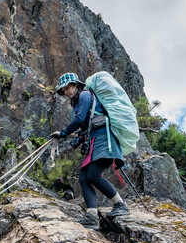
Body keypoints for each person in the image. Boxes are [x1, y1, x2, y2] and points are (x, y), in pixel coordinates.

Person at [51, 72, 130, 230]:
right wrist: (79, 139)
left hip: (104, 139)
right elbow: (86, 125)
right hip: (96, 140)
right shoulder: (79, 100)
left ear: (76, 85)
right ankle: (92, 217)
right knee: (84, 178)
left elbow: (80, 119)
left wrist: (64, 133)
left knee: (93, 174)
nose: (66, 92)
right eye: (64, 90)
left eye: (68, 87)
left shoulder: (85, 95)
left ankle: (120, 205)